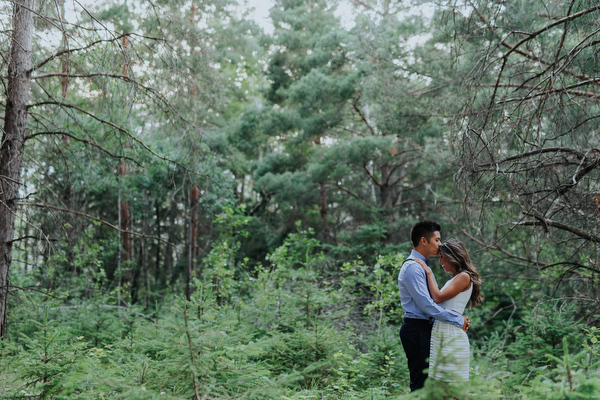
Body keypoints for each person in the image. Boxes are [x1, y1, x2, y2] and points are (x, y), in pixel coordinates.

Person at [398, 221, 470, 391]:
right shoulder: (413, 268)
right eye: (437, 240)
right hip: (416, 329)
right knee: (421, 385)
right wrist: (457, 319)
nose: (440, 244)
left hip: (424, 329)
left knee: (430, 385)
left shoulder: (421, 267)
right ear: (424, 241)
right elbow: (428, 306)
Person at [414, 238, 484, 381]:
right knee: (441, 386)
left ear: (453, 257)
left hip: (452, 334)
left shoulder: (464, 276)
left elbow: (438, 298)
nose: (440, 262)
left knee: (453, 385)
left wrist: (428, 272)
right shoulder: (453, 279)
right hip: (443, 332)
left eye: (442, 257)